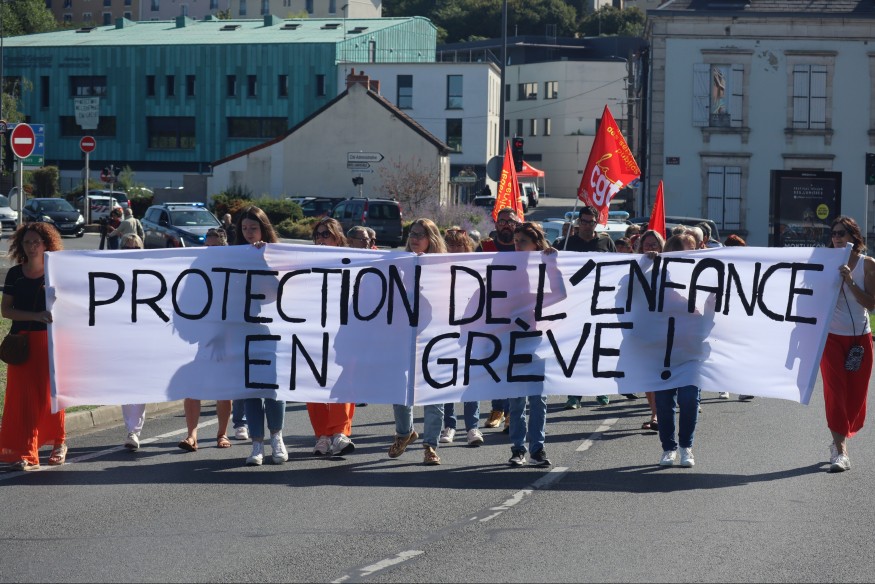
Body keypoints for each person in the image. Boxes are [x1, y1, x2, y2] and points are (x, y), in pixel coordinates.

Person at [0, 223, 66, 471]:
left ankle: (59, 442)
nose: (32, 246)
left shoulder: (56, 272)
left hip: (49, 343)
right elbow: (6, 310)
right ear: (21, 245)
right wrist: (35, 315)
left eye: (36, 242)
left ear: (47, 243)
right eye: (27, 242)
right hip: (21, 343)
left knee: (51, 396)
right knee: (22, 398)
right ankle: (26, 452)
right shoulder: (15, 274)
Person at [389, 218, 446, 465]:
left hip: (434, 337)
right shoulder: (400, 264)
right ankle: (405, 432)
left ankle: (430, 445)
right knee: (399, 387)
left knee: (434, 392)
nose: (414, 238)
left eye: (420, 234)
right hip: (403, 337)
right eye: (411, 233)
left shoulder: (444, 267)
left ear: (431, 239)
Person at [235, 205, 288, 466]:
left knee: (273, 389)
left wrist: (266, 259)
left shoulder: (277, 254)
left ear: (263, 228)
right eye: (244, 228)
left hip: (271, 330)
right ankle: (257, 443)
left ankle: (276, 437)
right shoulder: (234, 256)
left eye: (253, 228)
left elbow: (285, 290)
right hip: (243, 330)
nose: (248, 233)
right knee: (250, 390)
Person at [821, 216, 874, 473]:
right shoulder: (822, 262)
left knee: (854, 396)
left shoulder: (868, 265)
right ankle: (839, 450)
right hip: (830, 337)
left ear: (854, 238)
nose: (837, 237)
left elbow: (871, 304)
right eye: (834, 233)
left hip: (859, 338)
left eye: (842, 233)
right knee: (835, 393)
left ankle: (841, 437)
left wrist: (850, 281)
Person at [506, 221, 558, 467]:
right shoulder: (506, 268)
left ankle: (537, 448)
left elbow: (560, 294)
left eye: (522, 242)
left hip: (537, 340)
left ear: (535, 243)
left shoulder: (543, 267)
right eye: (515, 242)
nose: (517, 246)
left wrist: (552, 266)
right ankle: (518, 448)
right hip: (511, 340)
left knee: (537, 398)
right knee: (516, 398)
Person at [177, 228, 234, 452]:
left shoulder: (233, 267)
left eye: (215, 246)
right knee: (193, 386)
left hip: (227, 336)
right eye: (207, 246)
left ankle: (222, 433)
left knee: (223, 388)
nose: (210, 250)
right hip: (201, 335)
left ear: (225, 246)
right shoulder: (196, 268)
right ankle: (191, 435)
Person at [308, 217, 358, 456]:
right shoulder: (305, 262)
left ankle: (339, 432)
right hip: (314, 332)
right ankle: (322, 434)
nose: (321, 239)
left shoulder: (353, 262)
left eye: (326, 234)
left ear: (338, 237)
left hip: (344, 333)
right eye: (318, 235)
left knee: (344, 382)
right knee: (313, 382)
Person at [556, 205, 614, 409]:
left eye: (592, 221)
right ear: (578, 222)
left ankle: (601, 389)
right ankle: (574, 394)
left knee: (600, 347)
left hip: (601, 303)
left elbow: (619, 266)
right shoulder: (566, 244)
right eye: (584, 221)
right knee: (576, 350)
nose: (588, 225)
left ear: (597, 223)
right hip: (575, 305)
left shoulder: (606, 242)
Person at [656, 231, 702, 468]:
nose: (687, 254)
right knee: (664, 403)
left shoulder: (705, 275)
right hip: (662, 351)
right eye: (682, 250)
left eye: (691, 248)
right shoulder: (658, 276)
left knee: (689, 399)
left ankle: (686, 446)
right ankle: (668, 447)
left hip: (692, 350)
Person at [439, 226, 484, 447]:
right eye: (451, 245)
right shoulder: (437, 269)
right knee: (448, 380)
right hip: (446, 332)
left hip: (471, 331)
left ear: (468, 247)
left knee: (470, 381)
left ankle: (472, 427)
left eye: (459, 245)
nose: (455, 248)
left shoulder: (478, 269)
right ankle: (449, 425)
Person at [475, 208, 518, 430]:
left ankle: (512, 412)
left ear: (517, 223)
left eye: (509, 221)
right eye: (501, 221)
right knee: (496, 364)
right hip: (491, 314)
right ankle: (497, 409)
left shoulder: (525, 246)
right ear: (496, 224)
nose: (505, 225)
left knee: (514, 366)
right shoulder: (485, 247)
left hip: (519, 313)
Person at [117, 233, 150, 450]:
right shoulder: (112, 272)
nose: (132, 250)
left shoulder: (150, 273)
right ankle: (130, 428)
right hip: (120, 336)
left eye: (136, 247)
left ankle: (134, 431)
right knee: (125, 384)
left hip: (144, 336)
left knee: (140, 385)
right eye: (127, 246)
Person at [636, 229, 666, 430]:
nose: (650, 248)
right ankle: (655, 413)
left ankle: (661, 414)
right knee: (647, 373)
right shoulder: (634, 266)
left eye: (654, 244)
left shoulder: (669, 266)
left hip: (664, 327)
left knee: (660, 373)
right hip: (641, 327)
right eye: (647, 245)